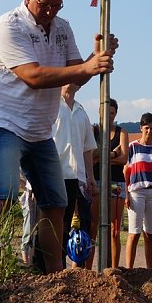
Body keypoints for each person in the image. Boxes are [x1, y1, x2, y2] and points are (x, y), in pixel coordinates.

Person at [0, 0, 116, 274]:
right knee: (3, 194)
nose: (51, 12)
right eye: (45, 5)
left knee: (56, 202)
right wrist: (88, 65)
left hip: (40, 130)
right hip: (7, 123)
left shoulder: (62, 28)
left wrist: (98, 57)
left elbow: (77, 75)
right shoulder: (9, 26)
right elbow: (34, 76)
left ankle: (55, 276)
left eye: (57, 6)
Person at [52, 83, 97, 268]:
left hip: (75, 178)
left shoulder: (81, 112)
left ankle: (67, 270)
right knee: (52, 224)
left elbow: (87, 148)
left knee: (72, 226)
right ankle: (48, 269)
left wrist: (90, 176)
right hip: (53, 174)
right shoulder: (51, 106)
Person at [124, 112, 152, 269]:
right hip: (136, 191)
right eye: (146, 128)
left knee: (149, 233)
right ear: (141, 128)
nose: (149, 131)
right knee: (134, 232)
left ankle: (150, 269)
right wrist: (126, 194)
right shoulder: (133, 147)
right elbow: (126, 171)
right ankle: (129, 269)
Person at [90, 98, 129, 269]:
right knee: (93, 227)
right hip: (97, 181)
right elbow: (91, 156)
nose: (109, 116)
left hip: (116, 182)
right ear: (100, 112)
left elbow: (124, 158)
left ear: (116, 114)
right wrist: (113, 154)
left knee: (115, 229)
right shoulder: (93, 131)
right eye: (106, 112)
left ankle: (113, 268)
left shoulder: (122, 132)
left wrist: (105, 157)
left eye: (112, 113)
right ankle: (88, 268)